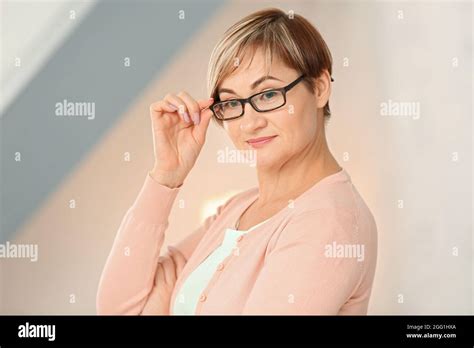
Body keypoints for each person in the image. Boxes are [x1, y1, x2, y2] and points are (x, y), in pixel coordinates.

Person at [96, 7, 377, 315]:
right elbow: (121, 310)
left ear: (320, 87)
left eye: (268, 94)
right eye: (231, 102)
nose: (249, 123)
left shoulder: (330, 221)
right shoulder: (236, 210)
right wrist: (166, 175)